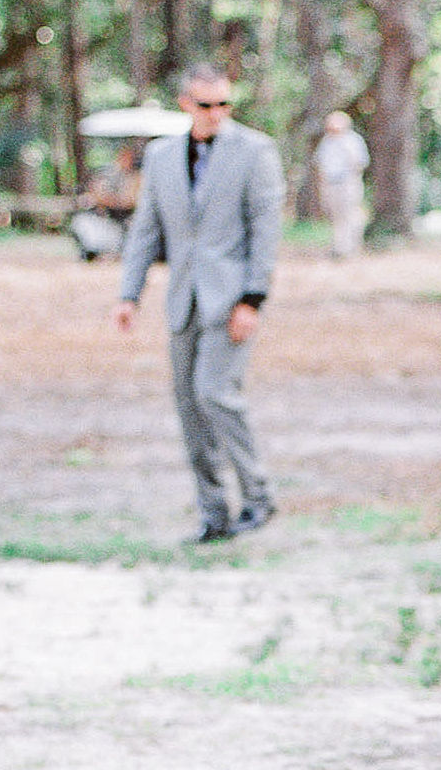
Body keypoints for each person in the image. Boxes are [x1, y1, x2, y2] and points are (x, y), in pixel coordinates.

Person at [113, 64, 285, 545]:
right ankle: (214, 513)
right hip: (182, 300)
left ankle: (259, 495)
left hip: (231, 299)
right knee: (189, 407)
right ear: (186, 104)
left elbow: (265, 232)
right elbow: (146, 231)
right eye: (207, 105)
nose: (217, 114)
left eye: (225, 104)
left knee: (216, 393)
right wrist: (129, 294)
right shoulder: (163, 156)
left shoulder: (256, 152)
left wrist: (253, 299)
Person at [312, 110, 370, 258]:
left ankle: (348, 248)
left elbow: (360, 162)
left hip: (348, 182)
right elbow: (320, 164)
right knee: (334, 215)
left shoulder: (353, 140)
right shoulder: (326, 142)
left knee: (349, 214)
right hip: (330, 183)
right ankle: (338, 246)